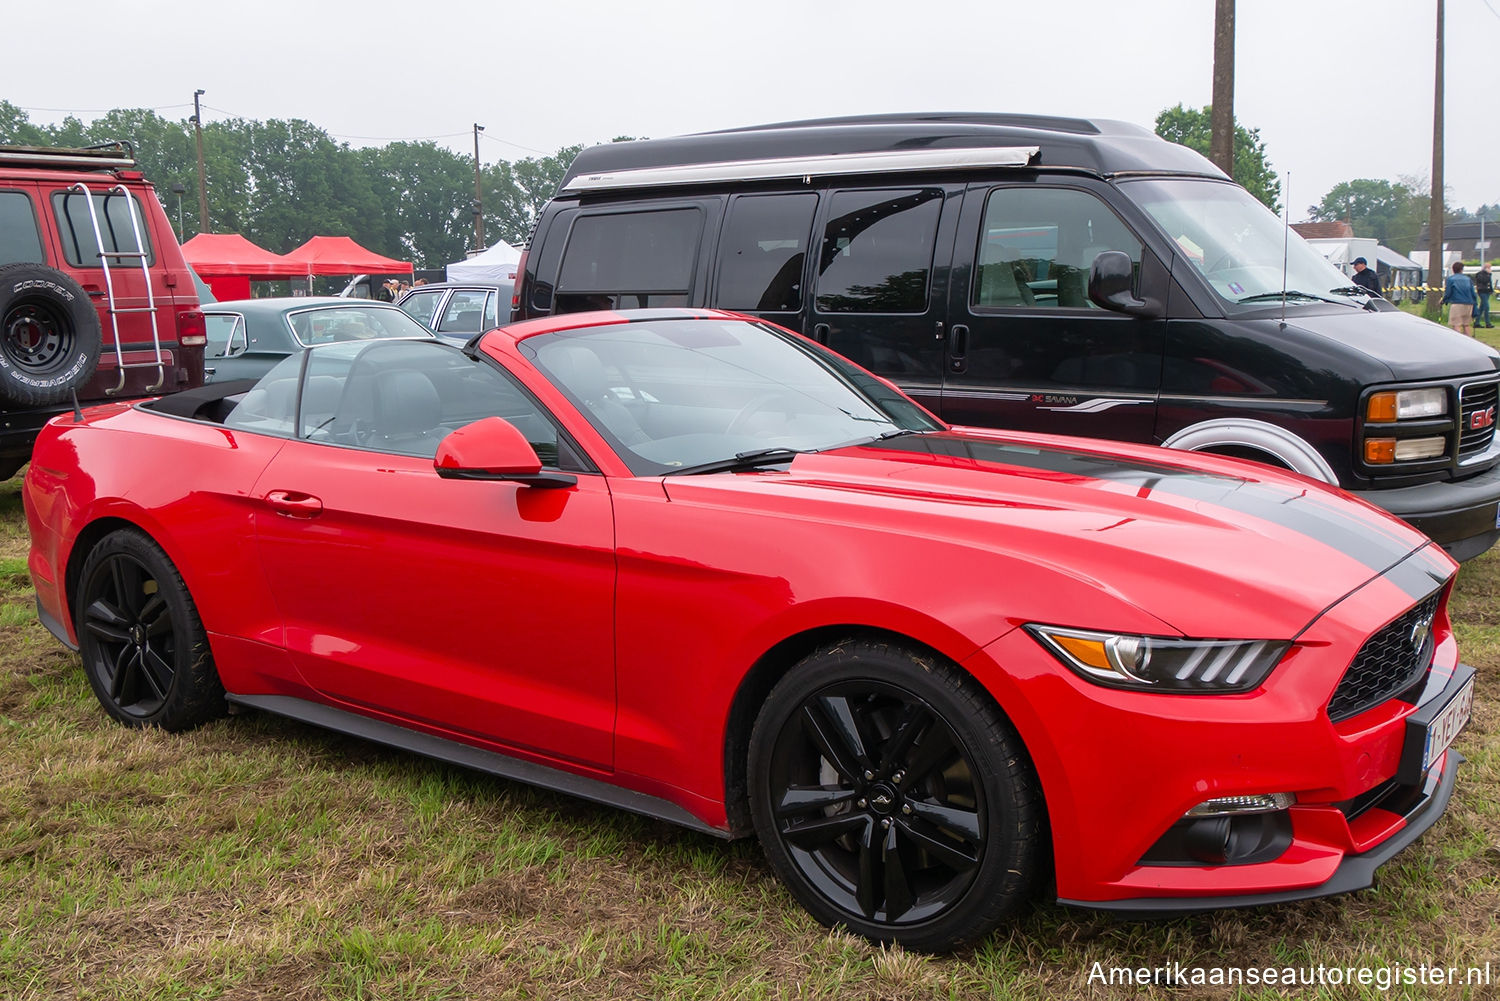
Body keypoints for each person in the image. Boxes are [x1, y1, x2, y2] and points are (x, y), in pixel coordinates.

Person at [1442, 261, 1476, 336]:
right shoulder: (1468, 279)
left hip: (1457, 303)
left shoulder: (1451, 279)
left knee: (1456, 324)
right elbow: (1473, 293)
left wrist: (1443, 300)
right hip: (1469, 303)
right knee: (1466, 324)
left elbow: (1448, 292)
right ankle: (1469, 341)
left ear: (1453, 269)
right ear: (1462, 269)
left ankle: (1458, 342)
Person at [1475, 262, 1493, 329]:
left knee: (1482, 307)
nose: (1490, 269)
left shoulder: (1488, 275)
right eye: (1489, 268)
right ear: (1486, 268)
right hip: (1482, 291)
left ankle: (1477, 322)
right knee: (1486, 307)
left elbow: (1489, 283)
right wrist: (1489, 274)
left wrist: (1491, 290)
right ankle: (1487, 323)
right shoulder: (1480, 274)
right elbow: (1484, 281)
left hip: (1487, 291)